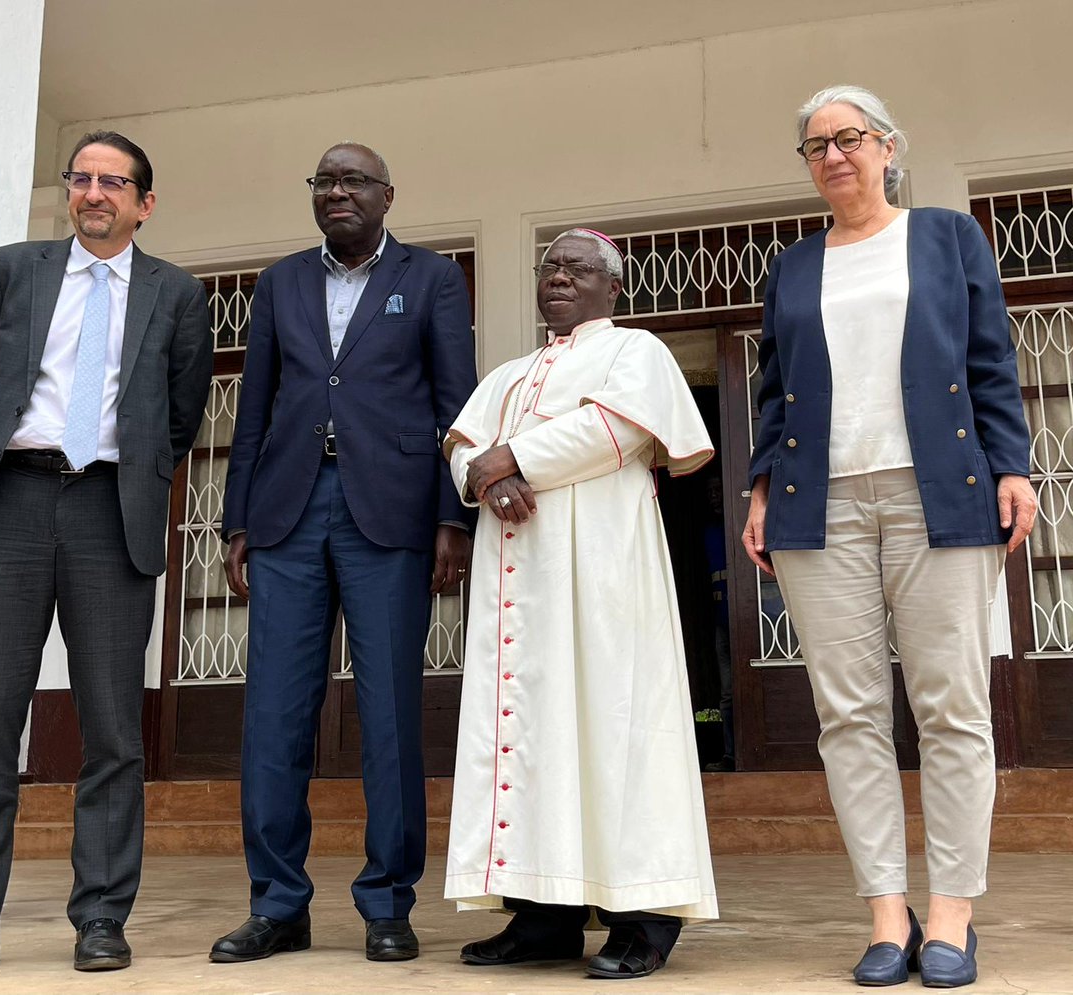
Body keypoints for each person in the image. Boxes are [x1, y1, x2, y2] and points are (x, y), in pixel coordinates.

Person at [0, 131, 214, 979]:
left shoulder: (178, 294)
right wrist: (18, 463)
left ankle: (102, 916)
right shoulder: (12, 269)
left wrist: (122, 476)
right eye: (83, 178)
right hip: (12, 504)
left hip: (113, 510)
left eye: (115, 182)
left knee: (112, 727)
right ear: (69, 192)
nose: (94, 192)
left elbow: (180, 417)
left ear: (145, 202)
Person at [742, 85, 1036, 989]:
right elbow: (774, 386)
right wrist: (760, 488)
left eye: (850, 138)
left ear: (888, 147)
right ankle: (885, 911)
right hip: (816, 502)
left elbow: (990, 356)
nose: (833, 155)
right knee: (850, 715)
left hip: (938, 492)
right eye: (816, 145)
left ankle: (951, 914)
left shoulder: (947, 237)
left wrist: (1014, 464)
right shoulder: (791, 268)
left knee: (951, 706)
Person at [212, 143, 478, 964]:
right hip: (288, 512)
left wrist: (451, 519)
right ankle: (278, 903)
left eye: (353, 180)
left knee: (391, 711)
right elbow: (252, 407)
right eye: (324, 181)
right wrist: (236, 520)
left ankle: (387, 901)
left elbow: (453, 403)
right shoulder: (279, 282)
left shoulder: (430, 277)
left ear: (388, 195)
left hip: (389, 514)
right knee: (274, 716)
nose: (337, 192)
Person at [444, 228, 719, 980]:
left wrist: (510, 457)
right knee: (532, 728)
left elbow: (619, 428)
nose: (560, 276)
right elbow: (462, 441)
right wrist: (488, 474)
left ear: (613, 286)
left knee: (612, 721)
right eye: (550, 266)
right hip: (519, 570)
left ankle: (643, 915)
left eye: (579, 267)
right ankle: (545, 913)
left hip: (601, 566)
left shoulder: (637, 352)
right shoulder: (511, 371)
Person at [702, 473, 735, 772]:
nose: (714, 496)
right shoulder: (709, 533)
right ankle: (731, 756)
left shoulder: (738, 527)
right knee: (728, 693)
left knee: (748, 687)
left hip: (751, 620)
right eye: (710, 491)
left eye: (718, 489)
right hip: (721, 621)